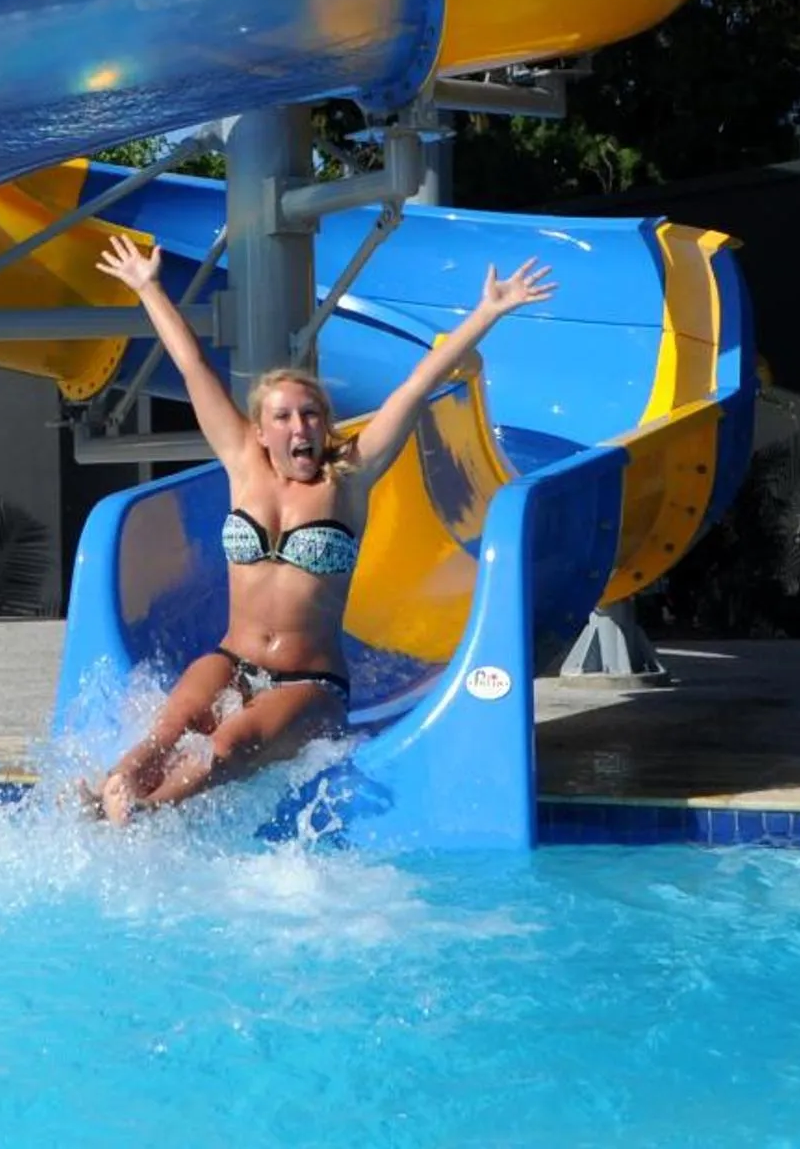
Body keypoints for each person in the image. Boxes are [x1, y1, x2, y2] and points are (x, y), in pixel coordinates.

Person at [84, 234, 556, 823]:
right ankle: (110, 794)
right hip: (231, 659)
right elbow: (192, 365)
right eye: (282, 416)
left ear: (326, 425)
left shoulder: (348, 479)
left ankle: (143, 816)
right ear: (261, 431)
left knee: (224, 747)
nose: (299, 427)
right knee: (169, 730)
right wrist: (149, 288)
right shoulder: (242, 465)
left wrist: (487, 313)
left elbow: (415, 387)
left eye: (310, 415)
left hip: (308, 683)